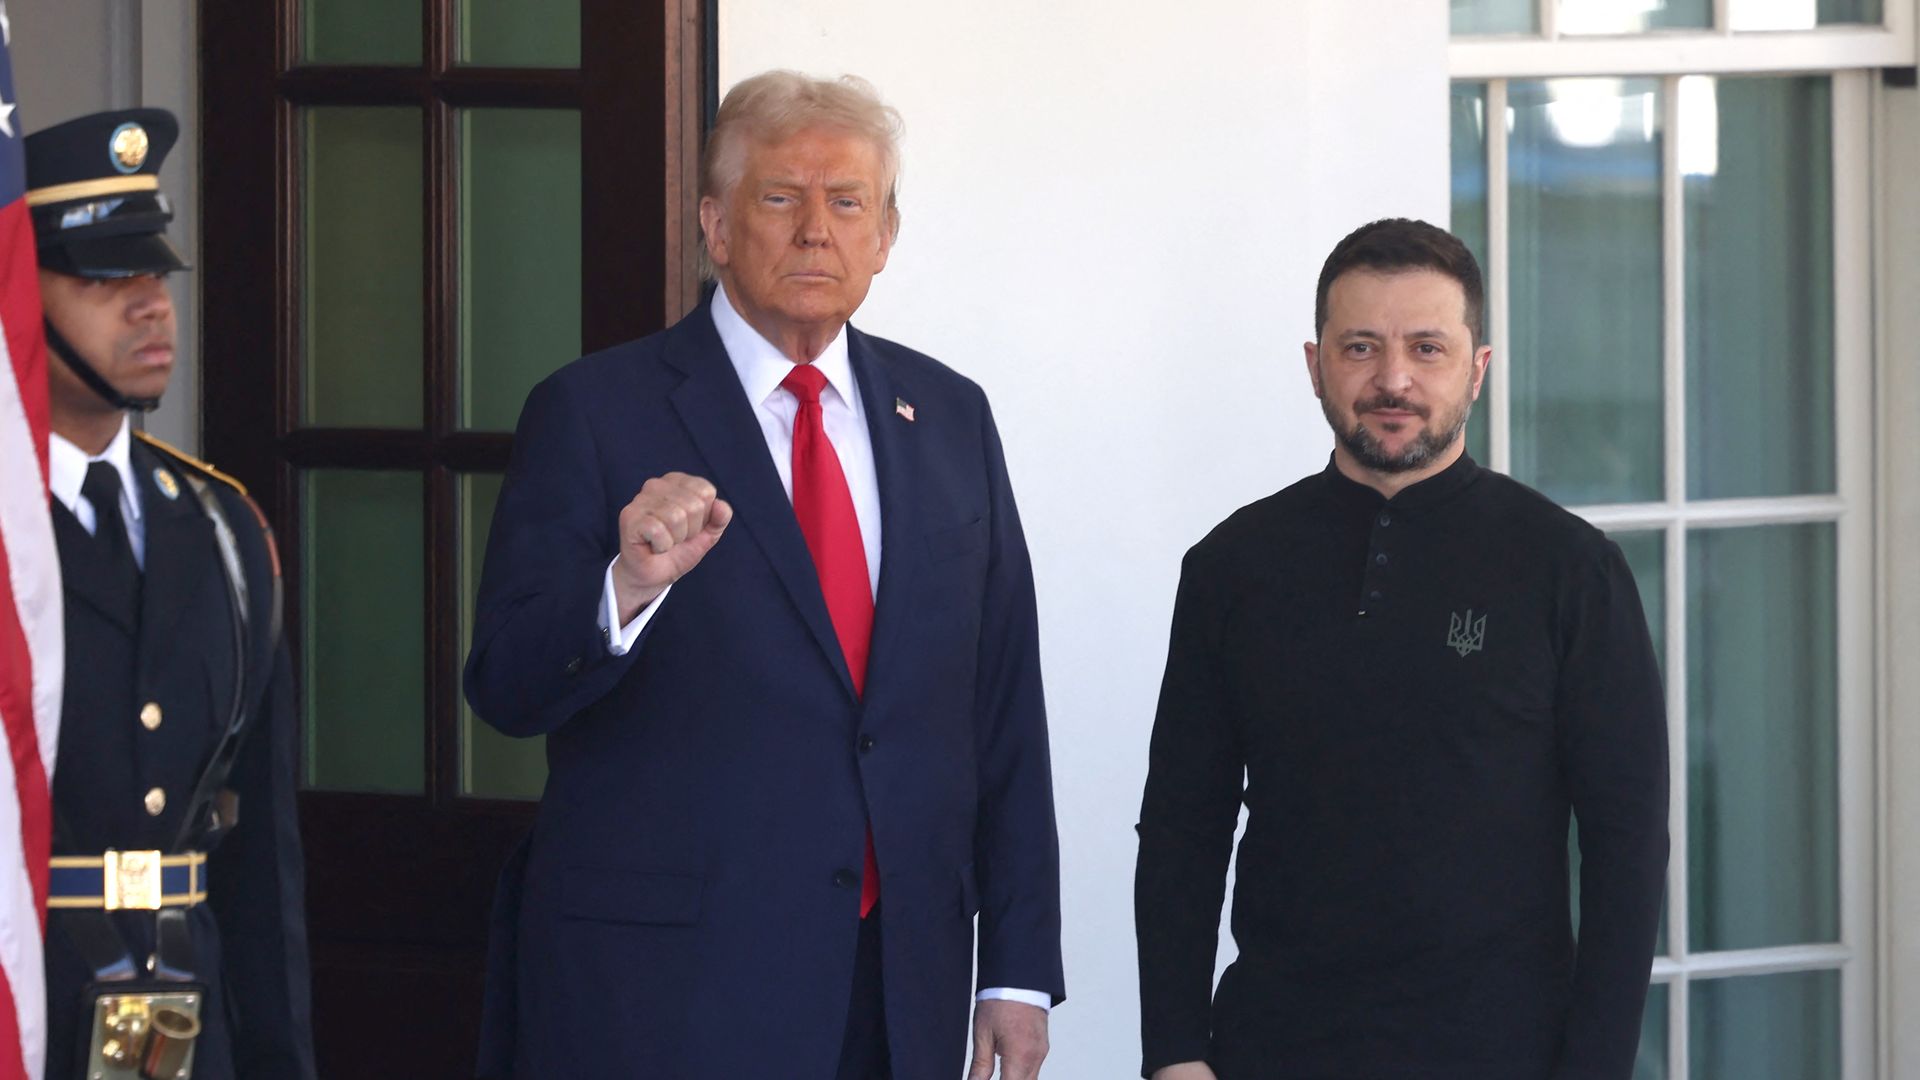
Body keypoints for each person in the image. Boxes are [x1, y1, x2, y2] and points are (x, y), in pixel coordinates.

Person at [464, 71, 1063, 1080]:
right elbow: (508, 683)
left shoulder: (949, 416)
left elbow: (1002, 704)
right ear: (716, 223)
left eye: (847, 203)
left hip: (894, 983)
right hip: (668, 990)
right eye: (781, 198)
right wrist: (626, 585)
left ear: (886, 235)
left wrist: (1017, 968)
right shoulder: (595, 410)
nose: (814, 230)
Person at [1134, 218, 1668, 1080]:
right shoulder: (1232, 566)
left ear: (1478, 369)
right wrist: (1175, 1051)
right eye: (1360, 348)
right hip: (1273, 1048)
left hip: (1505, 1054)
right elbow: (1181, 827)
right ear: (1315, 366)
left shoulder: (1570, 569)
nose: (1394, 380)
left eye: (1427, 348)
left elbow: (1627, 843)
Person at [27, 109, 315, 1078]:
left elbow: (264, 866)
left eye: (156, 273)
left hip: (188, 1024)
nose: (151, 305)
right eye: (107, 278)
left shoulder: (227, 529)